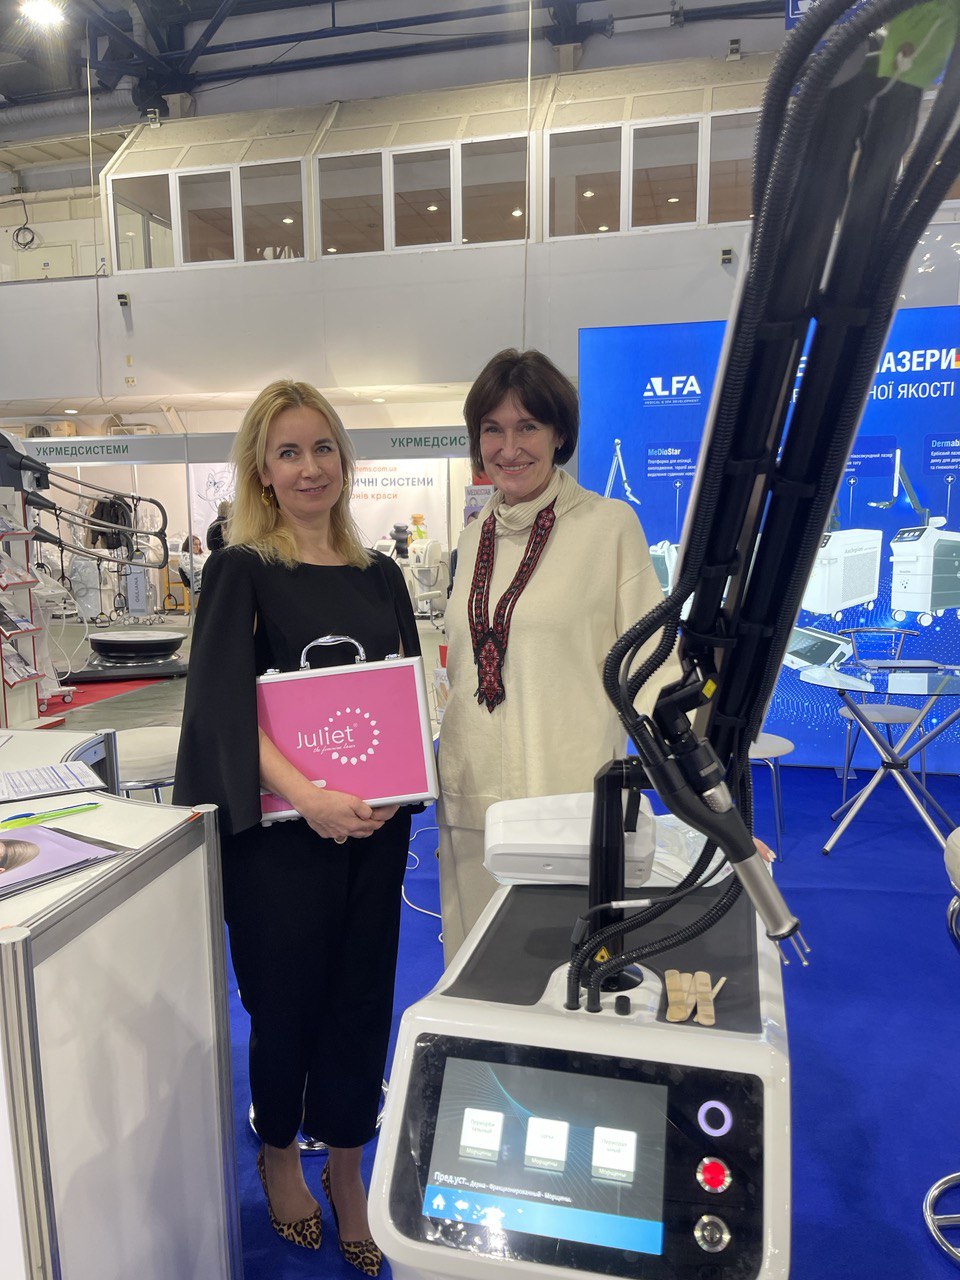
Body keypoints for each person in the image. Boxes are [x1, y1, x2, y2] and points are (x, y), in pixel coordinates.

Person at [174, 379, 420, 1275]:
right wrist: (310, 796)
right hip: (282, 838)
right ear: (262, 471)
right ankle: (280, 1152)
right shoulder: (241, 570)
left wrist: (396, 787)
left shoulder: (380, 574)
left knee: (361, 999)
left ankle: (347, 1168)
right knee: (284, 1004)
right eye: (288, 452)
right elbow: (222, 705)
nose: (309, 467)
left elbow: (401, 694)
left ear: (343, 461)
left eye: (322, 448)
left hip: (373, 831)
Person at [437, 348, 676, 964]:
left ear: (560, 434)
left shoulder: (608, 526)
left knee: (564, 976)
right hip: (472, 802)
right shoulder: (473, 535)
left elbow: (653, 668)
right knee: (479, 974)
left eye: (528, 427)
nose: (509, 448)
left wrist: (704, 797)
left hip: (566, 803)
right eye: (493, 429)